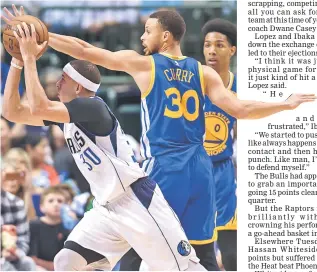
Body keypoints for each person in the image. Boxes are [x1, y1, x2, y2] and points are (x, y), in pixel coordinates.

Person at [2, 6, 316, 270]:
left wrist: (41, 36)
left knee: (155, 257)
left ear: (164, 36)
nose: (142, 37)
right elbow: (241, 109)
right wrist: (284, 103)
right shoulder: (204, 72)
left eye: (147, 30)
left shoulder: (145, 66)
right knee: (201, 252)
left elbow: (85, 51)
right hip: (199, 169)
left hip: (160, 172)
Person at [2, 21, 204, 271]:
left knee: (185, 268)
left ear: (77, 87)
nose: (56, 84)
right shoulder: (67, 116)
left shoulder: (93, 107)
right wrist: (17, 61)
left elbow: (38, 107)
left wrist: (31, 58)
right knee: (67, 261)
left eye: (62, 79)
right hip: (106, 208)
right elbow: (11, 111)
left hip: (136, 202)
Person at [202, 18, 237, 271]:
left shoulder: (241, 88)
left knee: (233, 255)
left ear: (232, 50)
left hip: (224, 171)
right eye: (207, 45)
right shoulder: (191, 82)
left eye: (219, 45)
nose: (212, 50)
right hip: (193, 171)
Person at [1, 163, 36, 271]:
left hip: (9, 258)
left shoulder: (16, 203)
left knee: (27, 263)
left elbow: (23, 240)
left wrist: (14, 253)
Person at [28, 186, 70, 271]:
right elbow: (32, 258)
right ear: (41, 207)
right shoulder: (33, 225)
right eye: (50, 201)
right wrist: (54, 267)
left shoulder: (68, 228)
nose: (56, 204)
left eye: (60, 201)